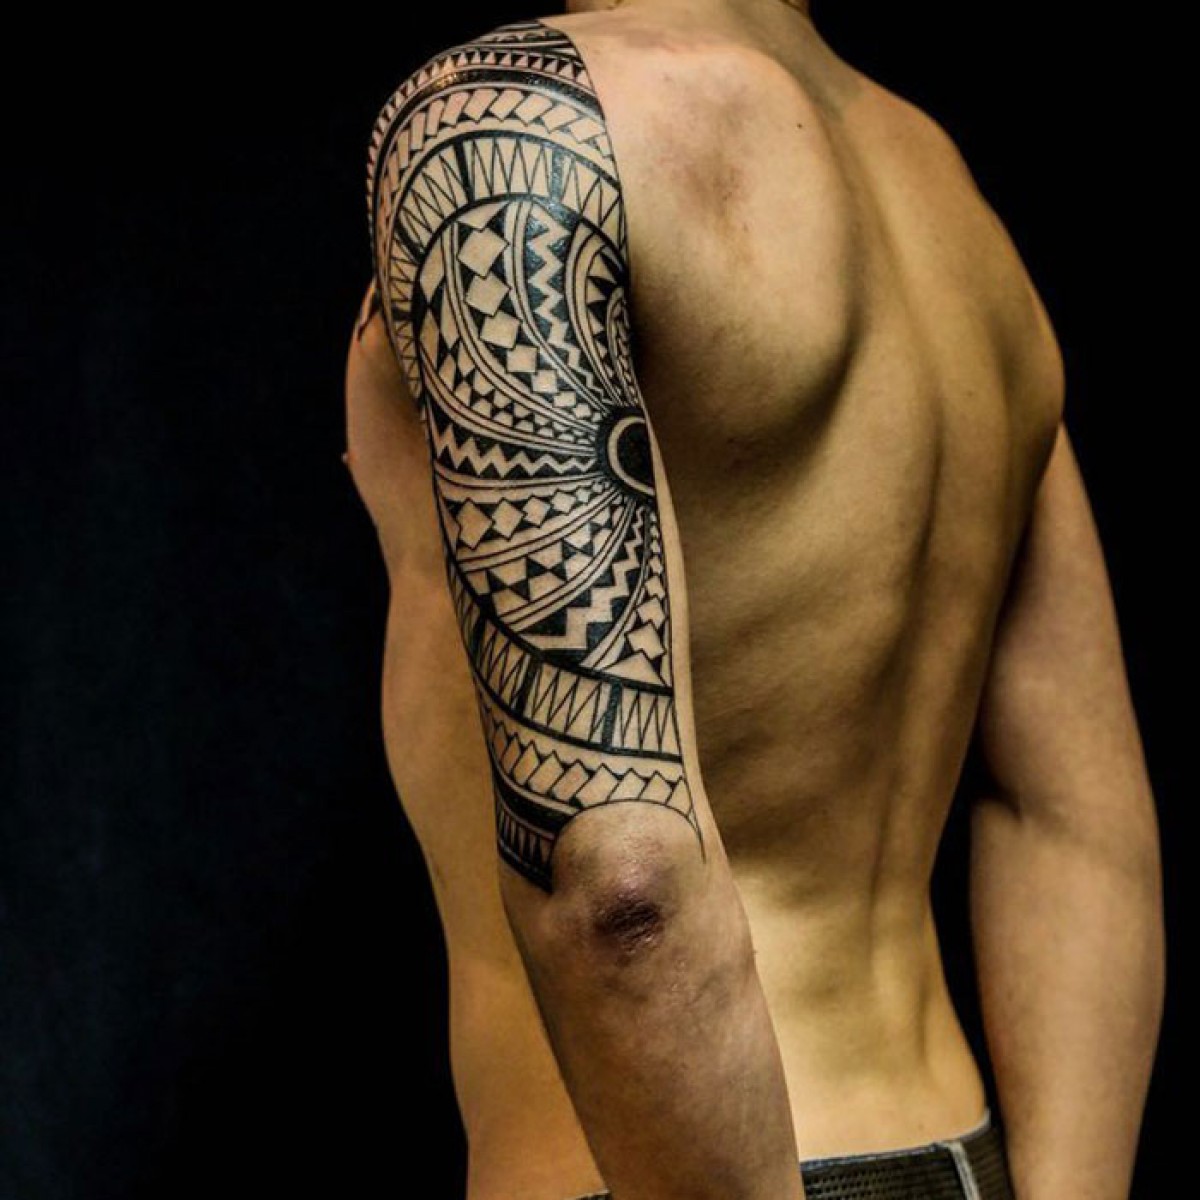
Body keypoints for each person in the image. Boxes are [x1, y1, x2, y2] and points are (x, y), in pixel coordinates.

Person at [343, 2, 1165, 1196]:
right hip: (954, 1149)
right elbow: (1076, 823)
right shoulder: (941, 193)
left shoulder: (511, 128)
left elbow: (618, 883)